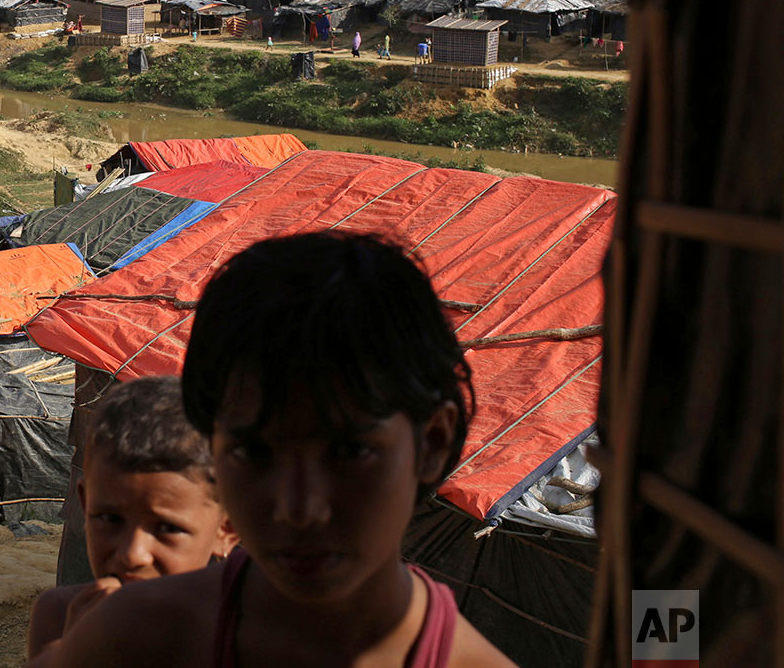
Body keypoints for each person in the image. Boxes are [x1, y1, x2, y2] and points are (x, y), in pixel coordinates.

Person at [40, 233, 515, 668]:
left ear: (432, 442)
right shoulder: (133, 637)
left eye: (349, 452)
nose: (297, 508)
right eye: (253, 453)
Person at [26, 377, 236, 659]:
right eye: (110, 519)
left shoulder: (246, 637)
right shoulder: (61, 616)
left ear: (226, 529)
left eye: (166, 528)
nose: (132, 554)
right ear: (85, 506)